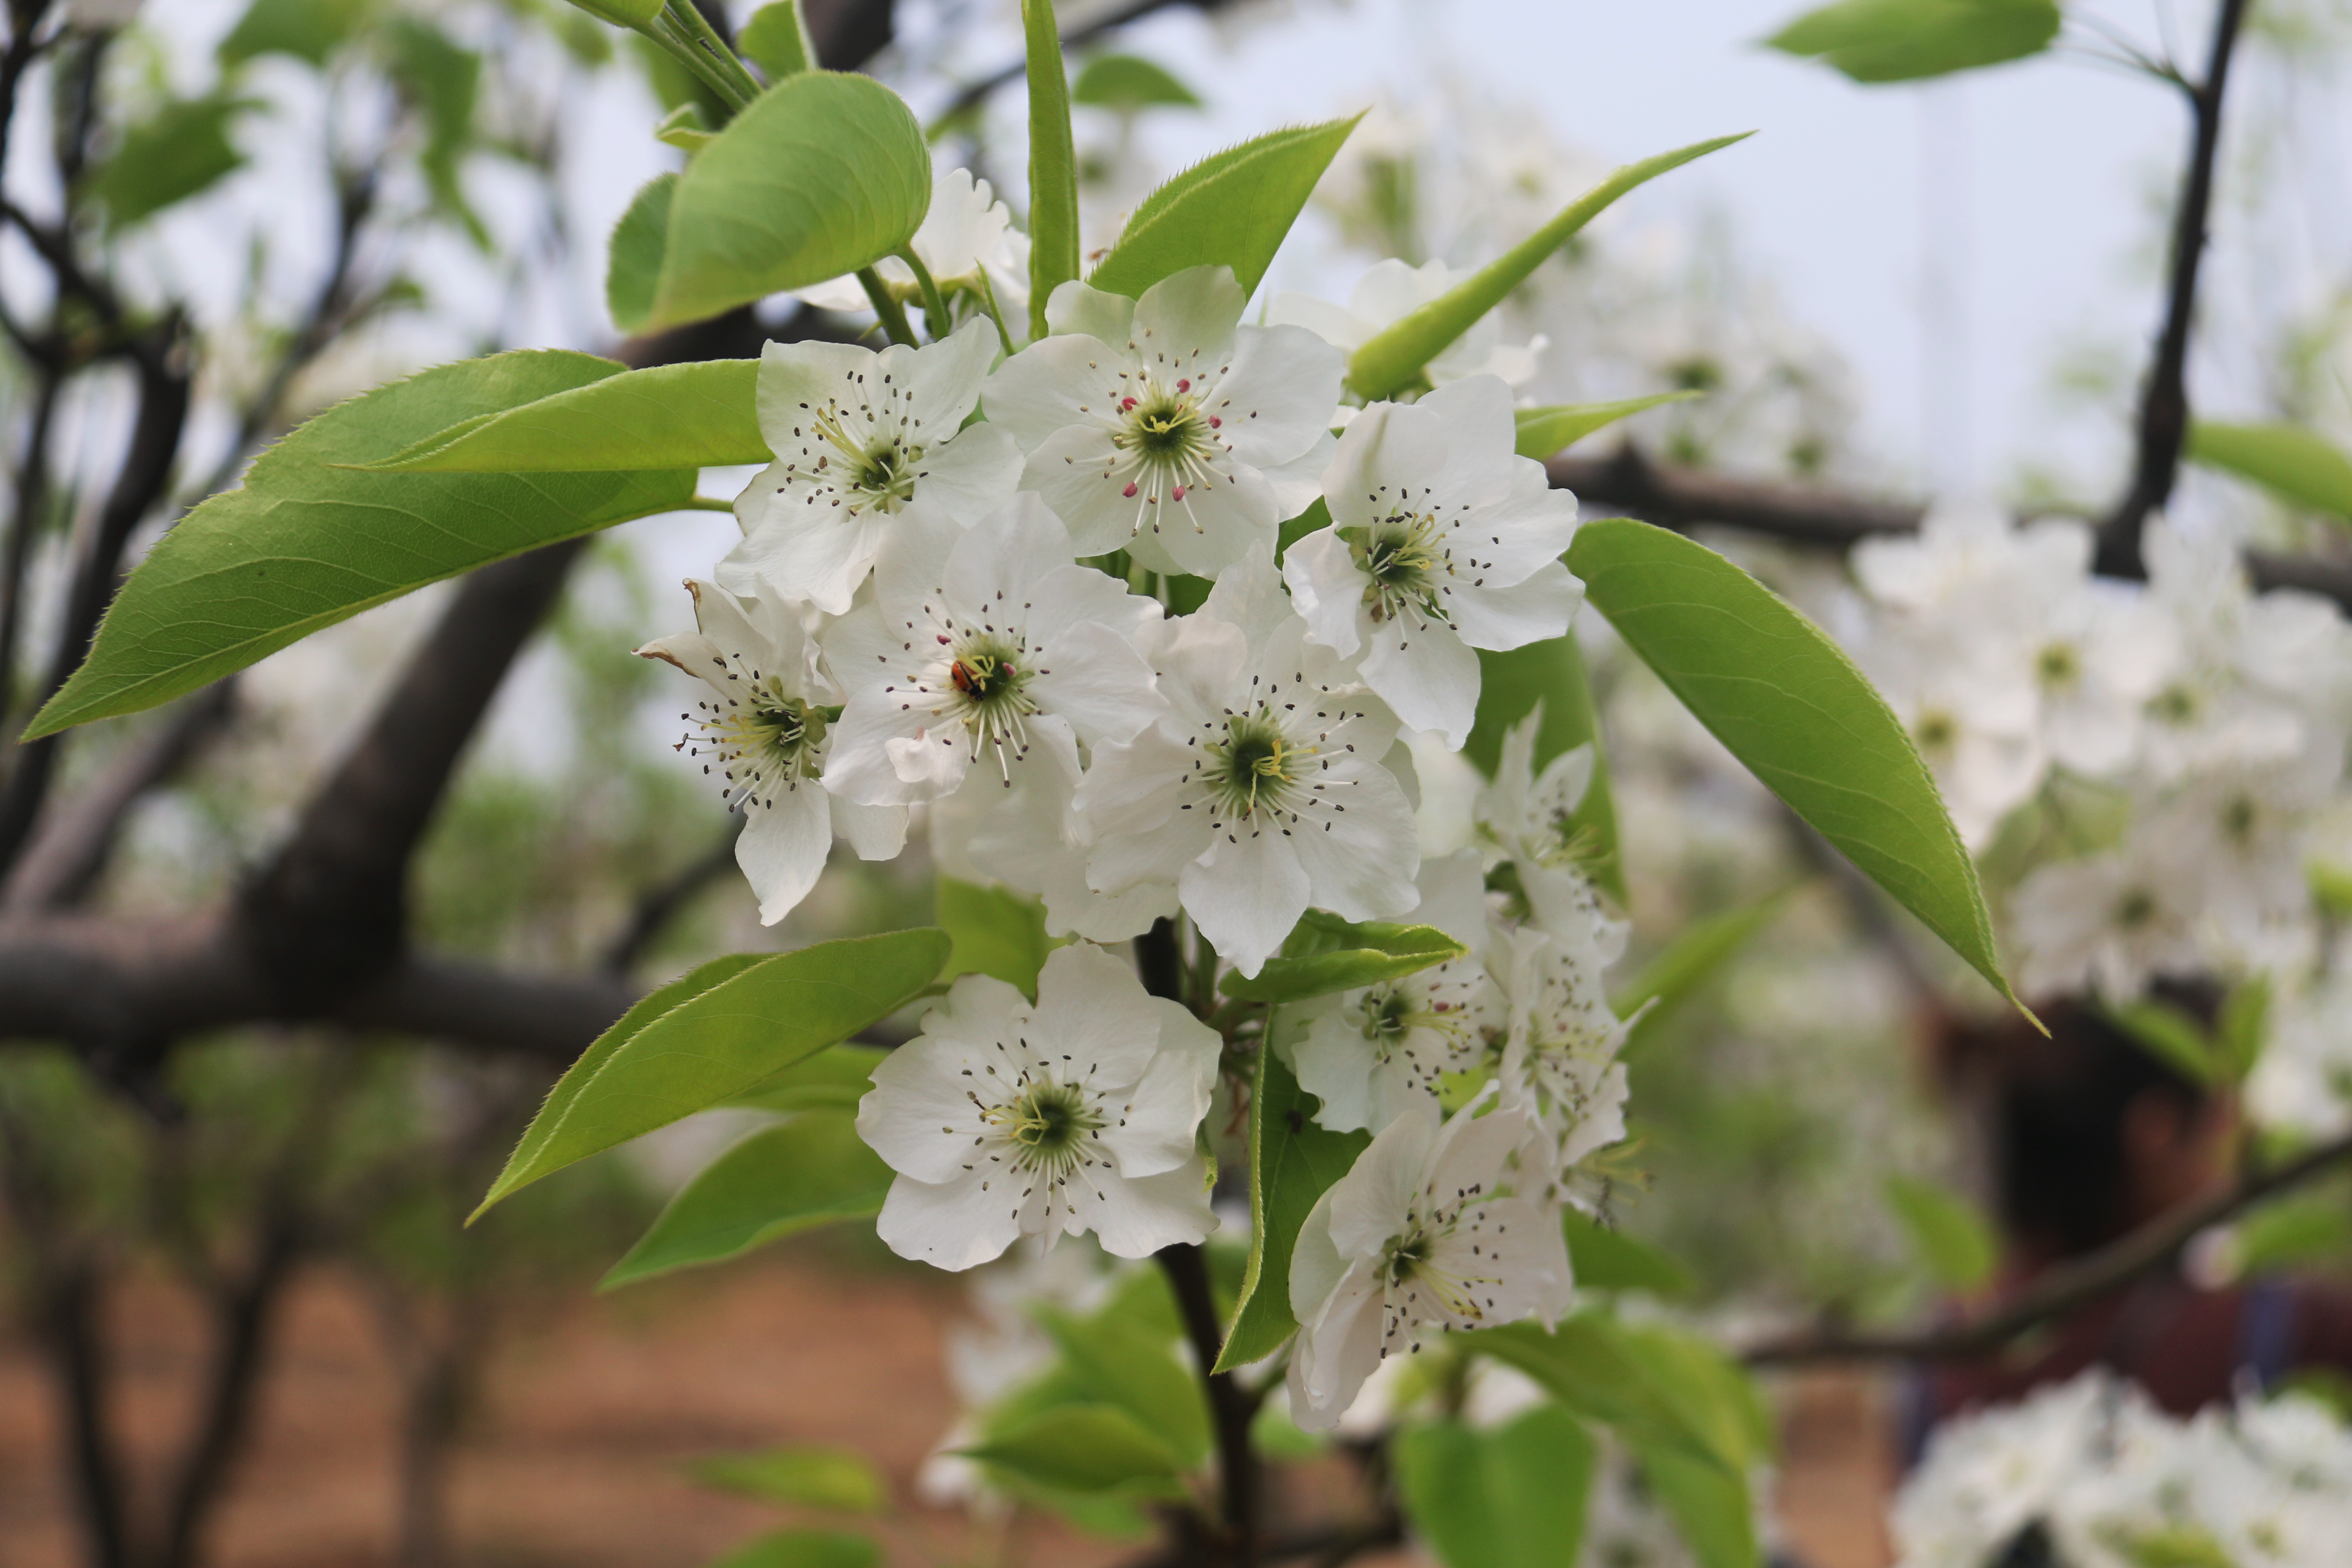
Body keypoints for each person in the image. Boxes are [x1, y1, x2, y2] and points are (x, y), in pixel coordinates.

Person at [1901, 986, 2352, 1456]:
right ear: (2156, 1135)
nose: (2233, 1145)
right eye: (2222, 1118)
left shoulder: (1939, 1351)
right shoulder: (2291, 1328)